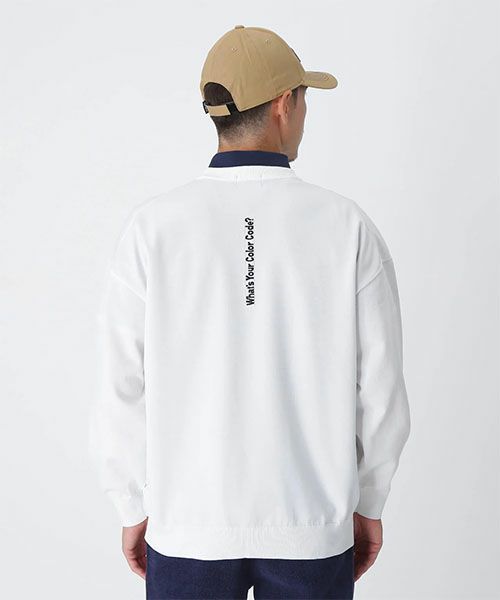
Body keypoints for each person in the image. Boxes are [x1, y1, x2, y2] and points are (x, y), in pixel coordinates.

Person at [88, 24, 411, 600]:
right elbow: (382, 388)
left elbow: (120, 386)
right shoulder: (346, 226)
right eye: (305, 99)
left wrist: (131, 503)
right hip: (312, 527)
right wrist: (369, 500)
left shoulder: (152, 228)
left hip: (188, 527)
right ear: (285, 104)